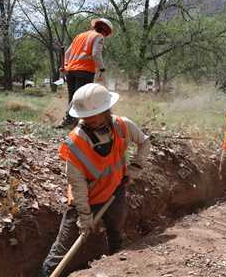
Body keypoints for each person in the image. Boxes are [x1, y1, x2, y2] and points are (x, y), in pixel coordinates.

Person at [41, 83, 150, 276]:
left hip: (115, 192)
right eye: (85, 116)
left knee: (115, 232)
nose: (88, 120)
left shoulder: (122, 125)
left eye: (93, 115)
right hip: (84, 201)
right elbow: (77, 185)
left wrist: (135, 168)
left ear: (106, 110)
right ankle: (46, 273)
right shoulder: (75, 143)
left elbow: (144, 142)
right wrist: (84, 216)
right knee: (61, 250)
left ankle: (119, 266)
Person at [56, 18, 114, 129]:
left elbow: (68, 53)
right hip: (85, 71)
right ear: (105, 31)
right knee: (80, 98)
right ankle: (70, 121)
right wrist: (102, 69)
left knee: (73, 97)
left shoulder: (80, 36)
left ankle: (72, 121)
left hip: (71, 71)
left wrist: (66, 66)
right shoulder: (98, 37)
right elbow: (96, 54)